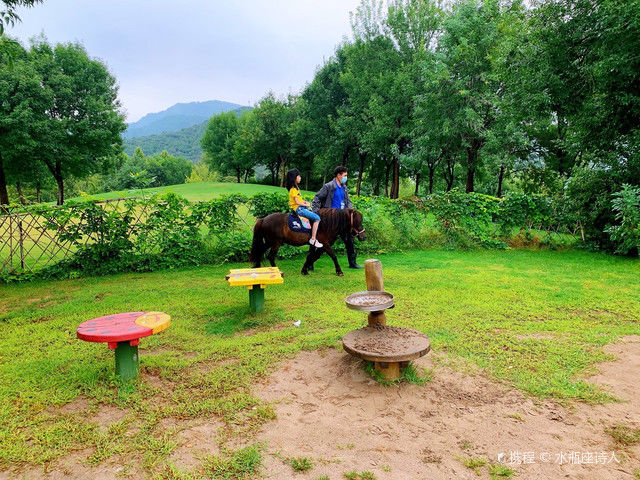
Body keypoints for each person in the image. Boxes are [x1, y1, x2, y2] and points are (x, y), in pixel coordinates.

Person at [311, 166, 363, 269]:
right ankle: (310, 263)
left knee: (349, 239)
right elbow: (317, 197)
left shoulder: (344, 187)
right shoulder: (329, 186)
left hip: (342, 219)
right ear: (338, 175)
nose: (346, 177)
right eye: (345, 175)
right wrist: (316, 212)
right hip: (330, 220)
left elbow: (348, 201)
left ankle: (352, 263)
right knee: (323, 242)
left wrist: (350, 211)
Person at [286, 169, 323, 248]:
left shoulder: (296, 188)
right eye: (298, 176)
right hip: (299, 209)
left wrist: (305, 202)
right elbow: (297, 202)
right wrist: (305, 204)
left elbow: (299, 199)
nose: (300, 178)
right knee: (317, 218)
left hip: (301, 207)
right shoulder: (293, 189)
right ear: (294, 178)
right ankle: (313, 239)